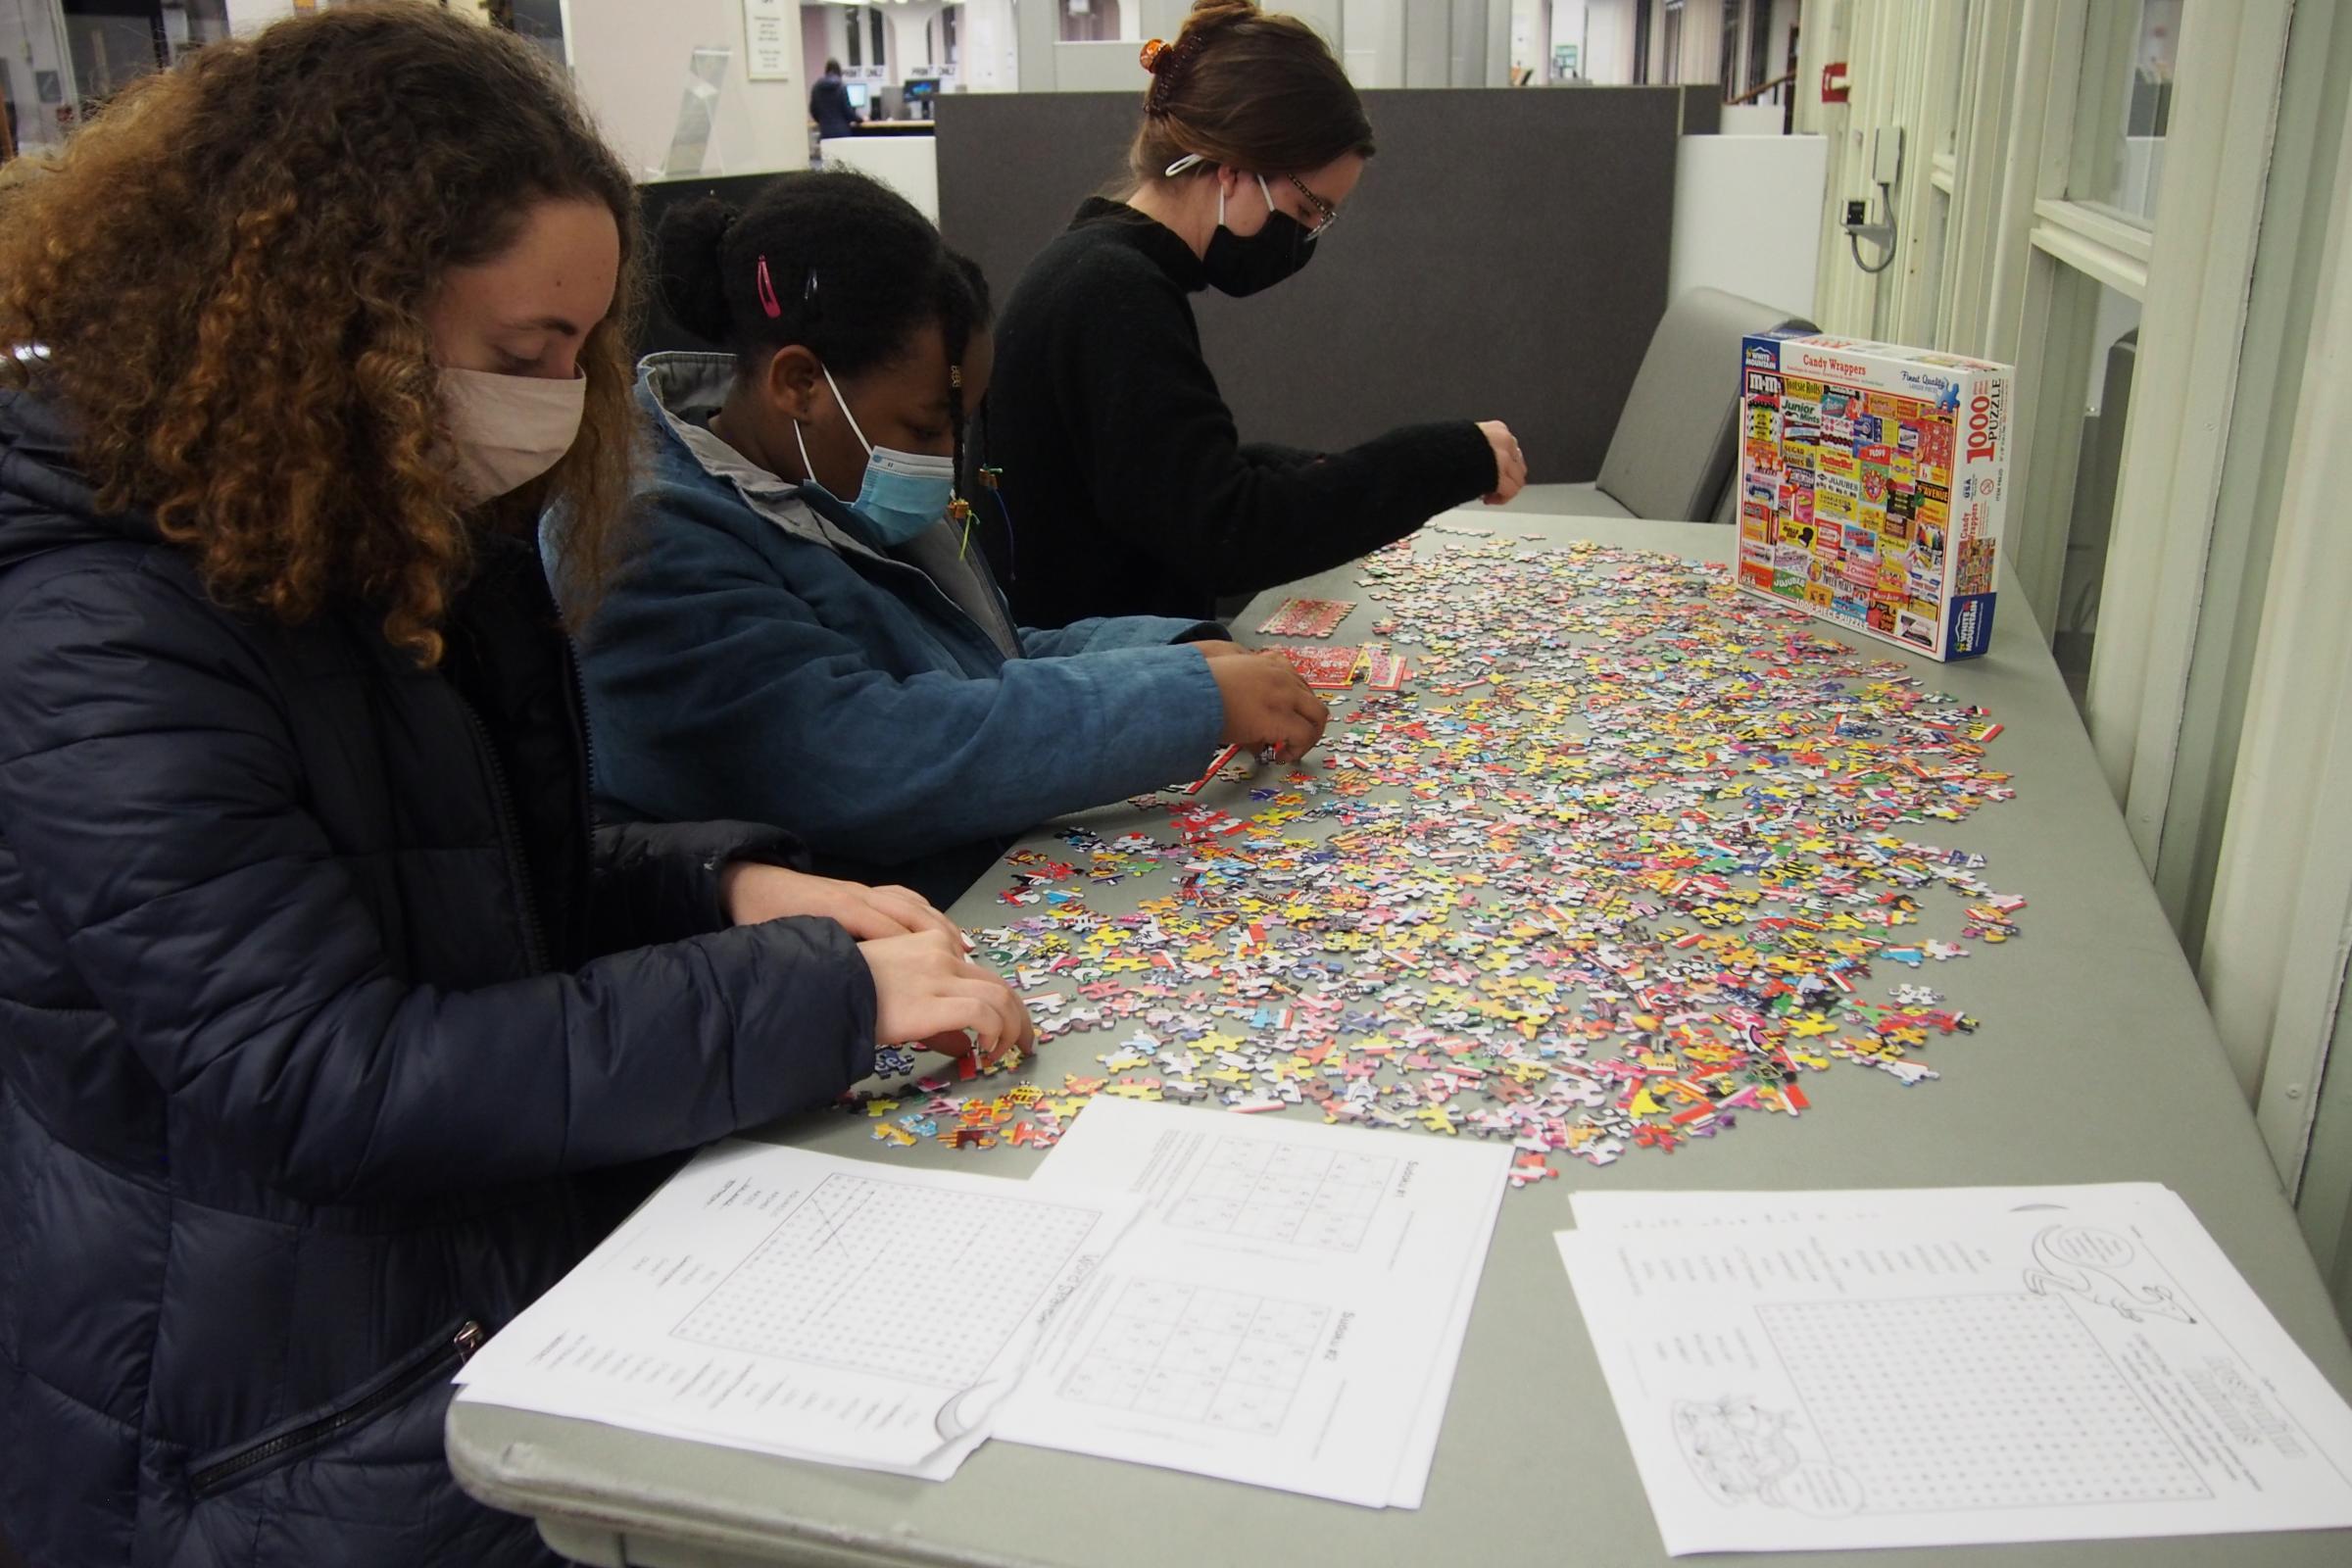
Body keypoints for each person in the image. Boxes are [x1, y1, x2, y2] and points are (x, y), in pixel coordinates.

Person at [0, 10, 1028, 1567]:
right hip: (266, 1424)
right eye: (518, 353)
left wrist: (722, 884)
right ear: (321, 321)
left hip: (465, 1297)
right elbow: (318, 1072)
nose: (557, 396)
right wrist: (815, 998)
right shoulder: (98, 632)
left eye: (581, 350)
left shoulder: (389, 518)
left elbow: (467, 882)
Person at [561, 170, 1331, 906]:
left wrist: (1182, 652)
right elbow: (868, 755)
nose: (941, 464)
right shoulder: (647, 539)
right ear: (800, 384)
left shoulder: (824, 467)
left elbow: (980, 654)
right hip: (854, 966)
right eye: (926, 427)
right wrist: (1187, 700)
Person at [975, 0, 1531, 628]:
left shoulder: (1093, 267)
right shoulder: (1113, 294)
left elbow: (1158, 479)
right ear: (1235, 171)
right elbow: (1225, 534)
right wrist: (1446, 458)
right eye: (1304, 212)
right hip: (1099, 685)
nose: (1306, 240)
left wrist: (1299, 470)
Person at [809, 56, 861, 140]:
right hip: (842, 134)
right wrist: (861, 119)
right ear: (839, 71)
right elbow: (848, 112)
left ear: (826, 71)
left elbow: (813, 110)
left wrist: (823, 121)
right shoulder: (841, 87)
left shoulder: (816, 87)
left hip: (825, 134)